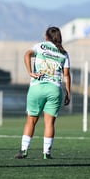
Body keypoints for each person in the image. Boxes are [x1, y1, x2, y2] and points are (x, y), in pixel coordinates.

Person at [14, 26, 71, 160]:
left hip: (37, 87)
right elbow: (67, 75)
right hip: (55, 89)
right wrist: (68, 92)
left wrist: (30, 72)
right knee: (49, 123)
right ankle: (47, 152)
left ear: (47, 37)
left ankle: (23, 150)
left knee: (31, 120)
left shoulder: (40, 46)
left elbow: (27, 54)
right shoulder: (63, 52)